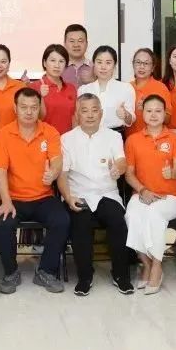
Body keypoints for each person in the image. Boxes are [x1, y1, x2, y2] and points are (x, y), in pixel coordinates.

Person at [0, 88, 68, 294]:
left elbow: (57, 161)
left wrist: (53, 173)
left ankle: (45, 271)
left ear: (39, 108)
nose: (29, 112)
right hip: (13, 197)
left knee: (61, 220)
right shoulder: (4, 134)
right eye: (24, 107)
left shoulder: (50, 132)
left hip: (43, 197)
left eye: (34, 107)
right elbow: (0, 171)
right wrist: (6, 201)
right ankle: (11, 272)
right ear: (15, 108)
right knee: (3, 223)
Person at [57, 94, 131, 296]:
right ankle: (85, 277)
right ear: (77, 114)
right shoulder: (66, 139)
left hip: (106, 192)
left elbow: (121, 161)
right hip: (78, 193)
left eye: (94, 110)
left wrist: (117, 169)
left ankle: (121, 275)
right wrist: (68, 197)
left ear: (101, 113)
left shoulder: (113, 136)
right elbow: (62, 175)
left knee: (117, 221)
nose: (90, 115)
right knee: (80, 223)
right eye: (84, 110)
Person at [123, 95, 176, 295]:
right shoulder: (133, 140)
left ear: (165, 113)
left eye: (158, 111)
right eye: (149, 111)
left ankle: (157, 266)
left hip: (172, 197)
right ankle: (146, 263)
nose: (153, 115)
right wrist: (143, 190)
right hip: (143, 193)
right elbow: (129, 173)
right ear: (142, 113)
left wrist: (173, 173)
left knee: (154, 214)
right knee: (131, 215)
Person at [78, 46, 135, 133]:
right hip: (89, 134)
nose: (103, 67)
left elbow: (131, 120)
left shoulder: (126, 88)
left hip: (116, 135)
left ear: (114, 65)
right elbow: (79, 117)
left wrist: (126, 115)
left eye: (108, 63)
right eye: (99, 62)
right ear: (94, 64)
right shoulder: (84, 90)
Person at [31, 44, 78, 135]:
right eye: (53, 60)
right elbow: (32, 119)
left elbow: (74, 117)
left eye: (61, 61)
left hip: (67, 140)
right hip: (44, 139)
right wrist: (40, 97)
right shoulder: (34, 87)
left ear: (66, 65)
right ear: (44, 63)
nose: (57, 65)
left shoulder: (71, 88)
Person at [128, 48, 173, 135]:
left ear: (152, 68)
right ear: (133, 65)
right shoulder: (127, 87)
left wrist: (149, 108)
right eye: (138, 62)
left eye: (146, 63)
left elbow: (168, 119)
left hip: (154, 138)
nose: (141, 66)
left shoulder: (160, 87)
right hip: (130, 139)